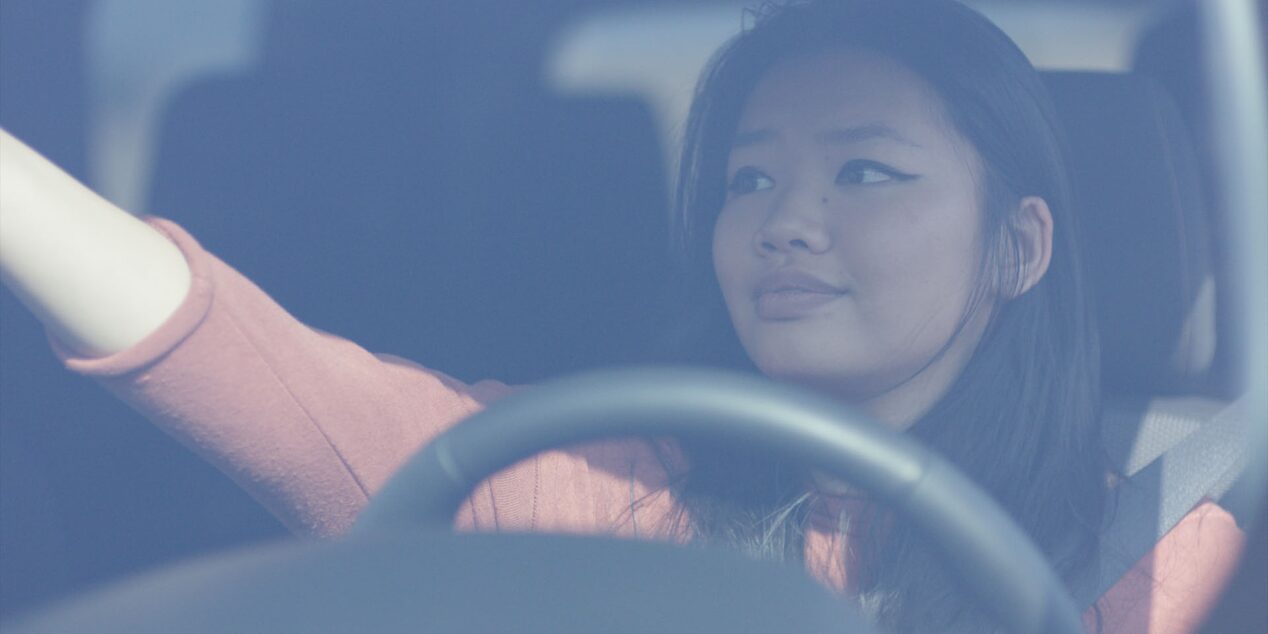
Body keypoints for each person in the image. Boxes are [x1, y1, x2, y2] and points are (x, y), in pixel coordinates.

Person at [0, 1, 1244, 632]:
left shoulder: (1152, 550)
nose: (783, 221)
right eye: (749, 177)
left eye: (863, 171)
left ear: (1016, 247)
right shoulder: (598, 486)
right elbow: (242, 363)